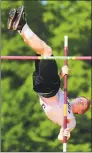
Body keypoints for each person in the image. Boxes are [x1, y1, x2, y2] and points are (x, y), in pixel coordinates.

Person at [7, 6, 91, 142]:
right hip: (44, 88)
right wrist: (62, 75)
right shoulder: (65, 99)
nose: (80, 100)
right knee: (40, 51)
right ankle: (19, 27)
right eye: (81, 98)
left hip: (47, 91)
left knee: (47, 50)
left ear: (80, 112)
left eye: (83, 103)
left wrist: (63, 135)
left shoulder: (71, 119)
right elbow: (55, 86)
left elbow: (63, 132)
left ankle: (22, 26)